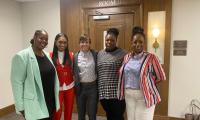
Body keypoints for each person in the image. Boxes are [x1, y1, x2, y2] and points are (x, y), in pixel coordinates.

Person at [118, 26, 166, 120]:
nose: (137, 44)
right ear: (131, 43)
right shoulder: (127, 57)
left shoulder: (151, 58)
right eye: (135, 42)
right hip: (129, 95)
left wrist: (147, 84)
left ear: (144, 43)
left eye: (140, 42)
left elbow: (161, 76)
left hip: (144, 96)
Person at [10, 29, 60, 120]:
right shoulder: (22, 56)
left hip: (49, 102)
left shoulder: (46, 54)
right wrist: (20, 107)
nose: (44, 41)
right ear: (34, 38)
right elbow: (17, 83)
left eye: (46, 39)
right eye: (41, 38)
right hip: (35, 104)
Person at [97, 28, 126, 120]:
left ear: (116, 40)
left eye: (112, 40)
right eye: (107, 40)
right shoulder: (100, 54)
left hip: (117, 95)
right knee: (109, 116)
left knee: (118, 116)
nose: (109, 42)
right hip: (104, 94)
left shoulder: (123, 53)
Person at [73, 34, 98, 120]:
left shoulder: (95, 54)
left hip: (92, 88)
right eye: (82, 42)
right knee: (81, 114)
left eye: (86, 42)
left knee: (92, 113)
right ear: (79, 43)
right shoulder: (75, 56)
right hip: (80, 88)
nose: (84, 44)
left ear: (90, 43)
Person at [51, 33, 74, 120]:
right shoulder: (49, 55)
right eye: (60, 42)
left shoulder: (71, 55)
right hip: (57, 88)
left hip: (70, 87)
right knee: (57, 112)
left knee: (69, 110)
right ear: (55, 42)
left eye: (65, 42)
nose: (62, 44)